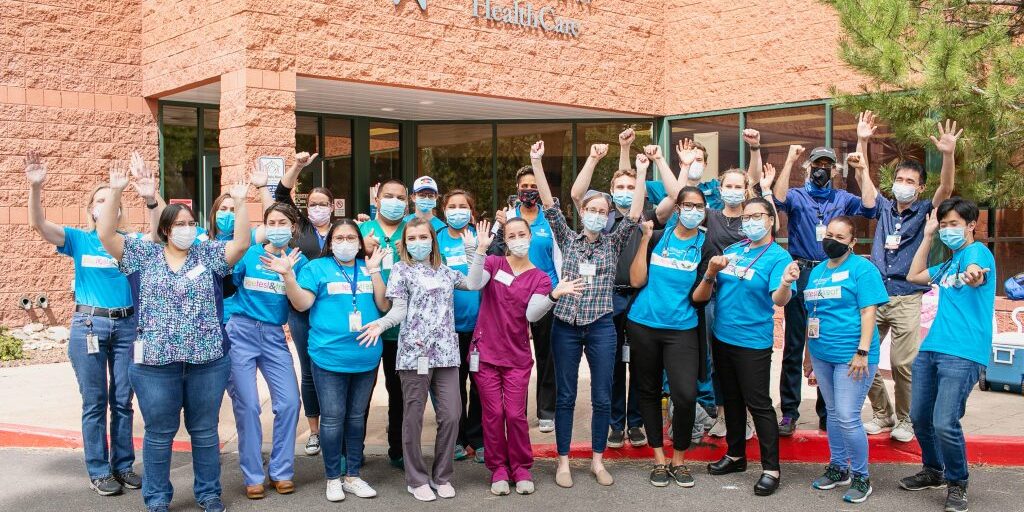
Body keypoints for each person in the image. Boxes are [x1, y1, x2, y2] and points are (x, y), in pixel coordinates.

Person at [97, 165, 252, 512]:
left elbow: (241, 243)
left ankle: (209, 494)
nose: (187, 229)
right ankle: (156, 498)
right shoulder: (143, 255)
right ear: (166, 230)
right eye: (179, 224)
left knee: (205, 433)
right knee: (159, 434)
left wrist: (241, 203)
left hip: (207, 362)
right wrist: (117, 190)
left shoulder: (209, 255)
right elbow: (106, 234)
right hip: (154, 365)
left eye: (191, 223)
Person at [25, 151, 156, 496]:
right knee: (95, 401)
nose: (105, 203)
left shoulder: (131, 242)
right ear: (90, 209)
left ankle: (123, 465)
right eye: (99, 200)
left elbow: (158, 238)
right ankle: (99, 470)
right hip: (89, 327)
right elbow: (39, 225)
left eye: (110, 199)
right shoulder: (78, 239)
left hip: (127, 328)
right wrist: (35, 187)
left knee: (124, 399)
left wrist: (147, 196)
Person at [754, 114, 879, 436]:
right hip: (801, 272)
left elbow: (869, 206)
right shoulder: (797, 194)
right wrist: (792, 161)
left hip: (833, 275)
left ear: (835, 171)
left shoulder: (842, 198)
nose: (821, 170)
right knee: (795, 345)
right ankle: (790, 411)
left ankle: (828, 411)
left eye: (827, 165)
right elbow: (778, 200)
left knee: (826, 341)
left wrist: (862, 172)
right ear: (809, 168)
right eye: (816, 165)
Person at [531, 140, 646, 488]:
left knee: (600, 396)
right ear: (582, 212)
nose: (596, 214)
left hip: (601, 328)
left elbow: (636, 214)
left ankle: (598, 460)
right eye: (591, 209)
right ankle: (563, 461)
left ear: (608, 215)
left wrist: (640, 173)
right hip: (565, 326)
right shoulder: (567, 239)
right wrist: (536, 161)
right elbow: (549, 204)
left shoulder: (613, 241)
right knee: (566, 396)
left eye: (602, 210)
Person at [656, 130, 767, 440]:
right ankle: (721, 413)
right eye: (727, 186)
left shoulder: (752, 219)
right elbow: (681, 200)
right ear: (720, 189)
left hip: (743, 299)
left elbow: (756, 181)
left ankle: (745, 417)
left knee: (740, 357)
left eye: (738, 186)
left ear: (746, 190)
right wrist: (685, 167)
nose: (733, 190)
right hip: (714, 296)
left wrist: (755, 149)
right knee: (716, 358)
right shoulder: (713, 216)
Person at [358, 217, 477, 502]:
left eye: (423, 237)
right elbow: (397, 310)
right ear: (405, 243)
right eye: (412, 238)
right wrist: (382, 325)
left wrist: (476, 252)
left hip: (447, 354)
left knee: (451, 414)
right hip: (414, 354)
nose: (418, 242)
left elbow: (473, 283)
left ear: (432, 241)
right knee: (412, 417)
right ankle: (416, 478)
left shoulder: (445, 271)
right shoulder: (400, 271)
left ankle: (442, 475)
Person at [271, 219, 390, 503]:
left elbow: (384, 305)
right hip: (328, 358)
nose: (346, 243)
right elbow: (301, 304)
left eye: (352, 238)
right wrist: (288, 277)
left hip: (366, 357)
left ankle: (353, 476)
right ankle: (333, 477)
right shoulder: (316, 268)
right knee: (333, 418)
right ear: (330, 242)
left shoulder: (370, 267)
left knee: (356, 417)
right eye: (340, 237)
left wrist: (374, 271)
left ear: (360, 243)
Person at [466, 219, 583, 495]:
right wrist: (480, 251)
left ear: (530, 237)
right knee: (493, 414)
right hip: (485, 354)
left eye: (522, 234)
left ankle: (520, 467)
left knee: (516, 415)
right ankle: (498, 469)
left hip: (516, 356)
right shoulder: (494, 264)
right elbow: (472, 284)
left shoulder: (540, 277)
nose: (518, 239)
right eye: (512, 235)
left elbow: (531, 315)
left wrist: (553, 295)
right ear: (505, 240)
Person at [863, 119, 960, 442]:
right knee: (859, 353)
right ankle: (882, 412)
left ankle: (906, 419)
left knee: (903, 363)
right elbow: (863, 177)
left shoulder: (924, 212)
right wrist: (863, 142)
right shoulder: (883, 208)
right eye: (899, 179)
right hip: (875, 295)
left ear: (919, 188)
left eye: (910, 181)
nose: (903, 184)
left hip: (907, 294)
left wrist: (947, 155)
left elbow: (945, 190)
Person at [695, 196, 798, 497]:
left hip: (752, 342)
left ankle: (771, 469)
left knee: (759, 404)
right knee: (732, 399)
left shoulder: (778, 258)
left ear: (770, 220)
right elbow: (715, 287)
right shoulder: (732, 250)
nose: (751, 221)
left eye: (758, 216)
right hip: (722, 336)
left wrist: (787, 283)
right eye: (746, 216)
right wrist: (712, 271)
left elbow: (779, 300)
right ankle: (736, 455)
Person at [898, 198, 995, 512]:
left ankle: (958, 483)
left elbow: (976, 272)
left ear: (970, 226)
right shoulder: (949, 263)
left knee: (944, 421)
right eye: (944, 224)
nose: (948, 229)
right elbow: (913, 276)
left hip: (962, 352)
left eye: (954, 224)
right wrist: (927, 236)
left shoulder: (976, 252)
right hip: (931, 349)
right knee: (919, 417)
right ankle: (933, 470)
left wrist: (974, 275)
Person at [569, 127, 652, 449]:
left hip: (638, 299)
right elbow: (578, 195)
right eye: (619, 186)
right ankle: (616, 424)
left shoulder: (636, 219)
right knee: (614, 365)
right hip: (608, 299)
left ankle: (636, 421)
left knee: (641, 365)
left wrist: (641, 172)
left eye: (631, 187)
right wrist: (592, 159)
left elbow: (634, 207)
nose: (625, 191)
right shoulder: (600, 217)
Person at [626, 185, 713, 487]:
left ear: (704, 210)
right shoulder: (658, 239)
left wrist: (711, 273)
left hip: (682, 328)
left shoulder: (706, 245)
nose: (692, 211)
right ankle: (660, 460)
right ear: (677, 210)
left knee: (685, 395)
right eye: (687, 206)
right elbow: (637, 279)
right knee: (648, 391)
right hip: (643, 324)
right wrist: (644, 241)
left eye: (698, 206)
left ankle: (680, 459)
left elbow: (701, 297)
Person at [801, 216, 889, 504]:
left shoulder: (863, 269)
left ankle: (862, 476)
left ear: (852, 242)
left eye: (840, 237)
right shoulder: (817, 272)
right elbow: (812, 316)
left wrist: (863, 352)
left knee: (849, 417)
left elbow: (868, 312)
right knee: (834, 414)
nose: (832, 241)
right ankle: (839, 467)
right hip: (822, 354)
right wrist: (808, 355)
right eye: (829, 235)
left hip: (852, 357)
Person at [224, 203, 307, 499]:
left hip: (274, 336)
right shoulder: (249, 253)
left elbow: (301, 303)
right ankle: (253, 475)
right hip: (241, 332)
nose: (277, 227)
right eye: (271, 221)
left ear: (293, 227)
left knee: (289, 403)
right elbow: (224, 286)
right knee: (247, 405)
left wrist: (288, 275)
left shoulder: (299, 260)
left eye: (283, 222)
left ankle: (281, 470)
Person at [491, 165, 561, 433]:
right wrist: (499, 225)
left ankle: (546, 411)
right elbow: (495, 253)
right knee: (514, 355)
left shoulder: (551, 220)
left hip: (545, 292)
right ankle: (514, 409)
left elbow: (559, 254)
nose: (529, 190)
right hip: (513, 296)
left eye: (534, 186)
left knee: (546, 355)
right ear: (517, 189)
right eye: (525, 186)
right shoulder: (508, 218)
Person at [274, 151, 332, 455]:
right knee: (308, 369)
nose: (318, 209)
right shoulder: (301, 229)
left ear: (332, 207)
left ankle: (334, 423)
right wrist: (297, 166)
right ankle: (314, 430)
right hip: (301, 311)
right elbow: (281, 195)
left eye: (323, 204)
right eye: (312, 204)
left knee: (331, 368)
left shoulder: (342, 232)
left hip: (333, 310)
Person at [360, 179, 411, 468]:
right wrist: (361, 249)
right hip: (368, 326)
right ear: (376, 199)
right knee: (361, 394)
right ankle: (352, 451)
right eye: (388, 196)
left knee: (400, 393)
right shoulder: (362, 232)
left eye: (400, 197)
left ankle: (398, 449)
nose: (395, 201)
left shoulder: (414, 231)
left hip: (401, 330)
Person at [437, 190, 484, 462]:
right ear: (444, 211)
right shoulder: (436, 240)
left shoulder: (480, 238)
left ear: (471, 211)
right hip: (446, 328)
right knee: (452, 385)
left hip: (479, 326)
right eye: (452, 206)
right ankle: (456, 437)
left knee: (478, 383)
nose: (457, 211)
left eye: (463, 206)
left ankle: (477, 439)